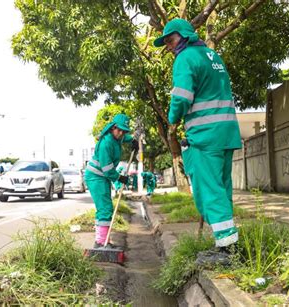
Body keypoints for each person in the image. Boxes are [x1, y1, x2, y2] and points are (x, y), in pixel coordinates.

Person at [154, 19, 242, 264]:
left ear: (183, 36)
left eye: (170, 41)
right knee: (222, 189)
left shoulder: (185, 59)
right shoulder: (213, 56)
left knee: (209, 191)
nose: (169, 47)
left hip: (205, 136)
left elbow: (181, 97)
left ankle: (227, 251)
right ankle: (226, 241)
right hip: (226, 133)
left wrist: (172, 121)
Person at [85, 114, 139, 248]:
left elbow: (123, 138)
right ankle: (100, 243)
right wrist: (120, 177)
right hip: (96, 177)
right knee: (104, 208)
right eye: (118, 130)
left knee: (106, 207)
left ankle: (104, 241)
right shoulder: (106, 143)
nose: (121, 133)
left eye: (124, 131)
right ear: (112, 127)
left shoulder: (118, 137)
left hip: (102, 177)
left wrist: (132, 140)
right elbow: (107, 169)